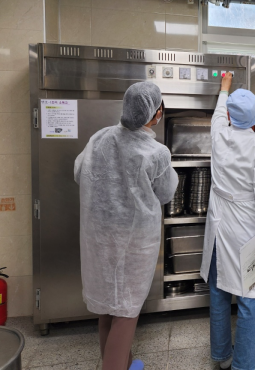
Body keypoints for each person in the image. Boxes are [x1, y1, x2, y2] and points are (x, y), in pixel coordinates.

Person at [74, 82, 178, 370]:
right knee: (126, 311)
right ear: (155, 113)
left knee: (108, 305)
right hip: (135, 242)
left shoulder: (100, 138)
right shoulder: (156, 152)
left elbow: (79, 172)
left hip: (100, 235)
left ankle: (124, 363)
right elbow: (166, 193)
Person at [200, 73, 255, 370]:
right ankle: (244, 366)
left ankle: (222, 358)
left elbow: (219, 114)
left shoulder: (219, 134)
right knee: (249, 297)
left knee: (219, 291)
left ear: (231, 116)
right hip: (246, 229)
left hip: (219, 224)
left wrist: (224, 87)